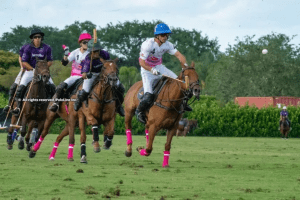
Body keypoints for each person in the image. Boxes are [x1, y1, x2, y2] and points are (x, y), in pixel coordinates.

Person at [136, 22, 192, 124]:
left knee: (180, 83)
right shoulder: (148, 45)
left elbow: (179, 55)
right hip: (147, 70)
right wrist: (151, 70)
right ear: (157, 35)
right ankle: (139, 111)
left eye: (167, 35)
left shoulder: (168, 45)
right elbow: (141, 62)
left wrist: (186, 66)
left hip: (159, 67)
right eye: (163, 35)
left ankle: (183, 103)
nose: (165, 37)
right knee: (148, 95)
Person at [73, 40, 125, 116]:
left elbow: (109, 64)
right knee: (85, 90)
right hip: (92, 74)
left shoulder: (105, 54)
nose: (96, 53)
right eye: (93, 51)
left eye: (97, 51)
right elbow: (84, 75)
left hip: (104, 74)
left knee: (120, 87)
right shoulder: (87, 58)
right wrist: (88, 75)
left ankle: (119, 105)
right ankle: (78, 103)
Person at [12, 28, 56, 116]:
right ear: (32, 38)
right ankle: (18, 107)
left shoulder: (47, 48)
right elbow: (24, 62)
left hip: (43, 72)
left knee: (53, 87)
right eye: (35, 37)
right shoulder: (27, 48)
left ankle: (53, 106)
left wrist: (43, 69)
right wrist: (34, 69)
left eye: (39, 37)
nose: (37, 39)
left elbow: (50, 61)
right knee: (20, 88)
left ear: (41, 38)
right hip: (30, 71)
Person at [49, 32, 92, 112]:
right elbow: (64, 63)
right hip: (75, 76)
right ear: (80, 43)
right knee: (61, 87)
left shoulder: (90, 54)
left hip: (86, 77)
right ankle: (56, 104)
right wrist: (65, 55)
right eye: (84, 42)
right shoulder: (75, 52)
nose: (86, 44)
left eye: (88, 42)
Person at [3, 43, 30, 112]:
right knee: (13, 87)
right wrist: (21, 67)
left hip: (35, 71)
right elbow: (20, 57)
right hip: (25, 71)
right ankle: (10, 105)